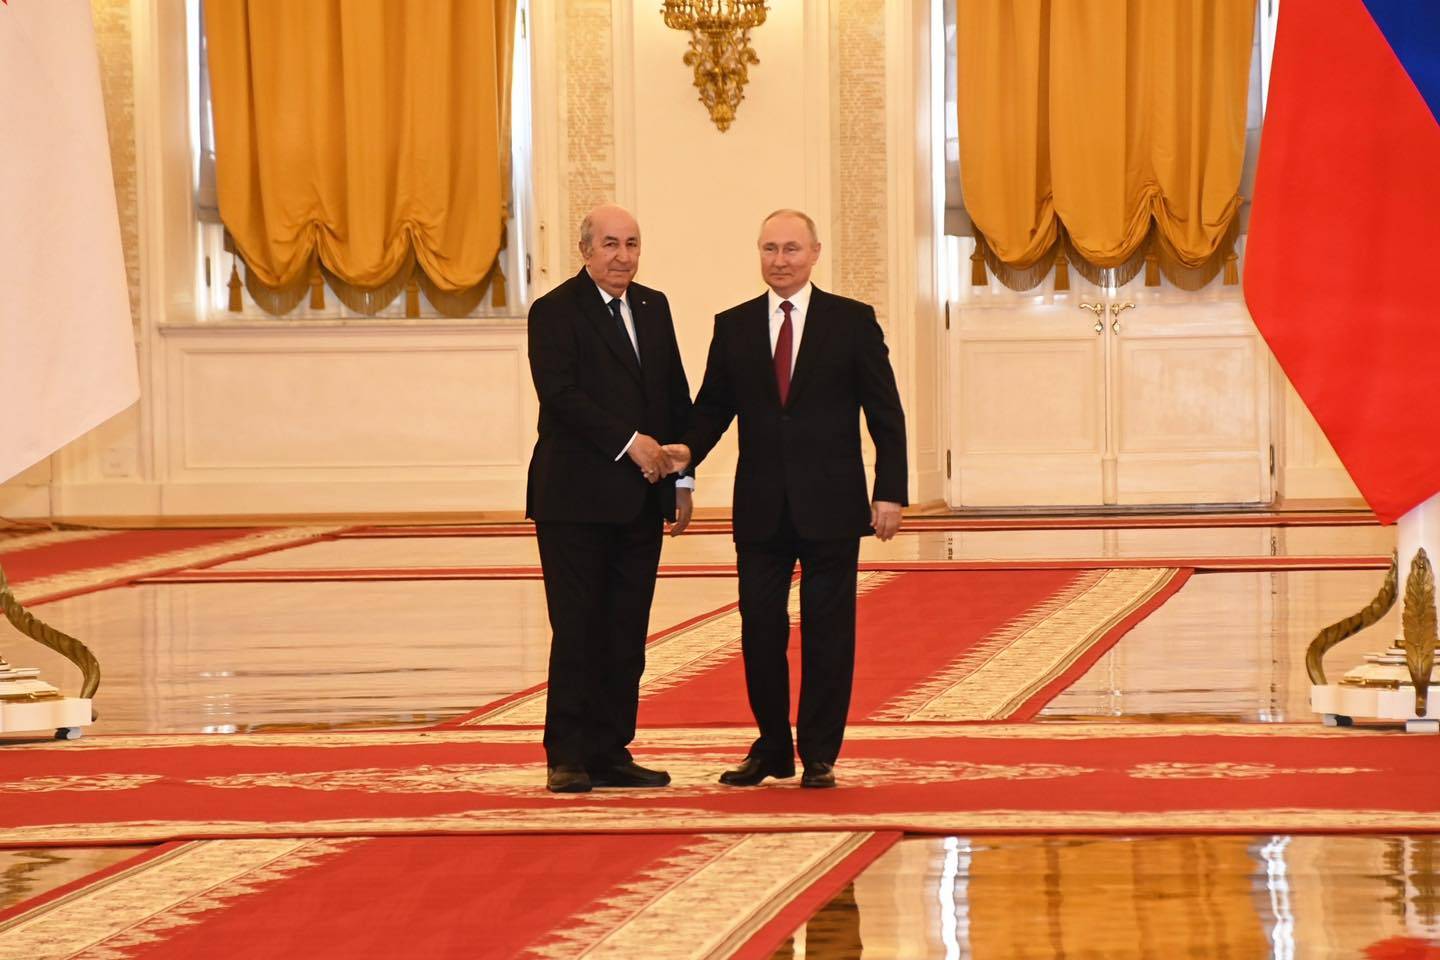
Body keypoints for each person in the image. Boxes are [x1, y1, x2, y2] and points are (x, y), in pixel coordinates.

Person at [664, 209, 906, 789]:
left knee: (829, 631)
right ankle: (772, 746)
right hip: (761, 507)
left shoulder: (852, 322)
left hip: (832, 504)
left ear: (815, 253)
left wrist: (890, 491)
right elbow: (713, 408)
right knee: (759, 628)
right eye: (769, 249)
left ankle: (819, 752)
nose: (780, 260)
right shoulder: (734, 326)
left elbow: (885, 411)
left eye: (791, 249)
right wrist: (684, 457)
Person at [525, 203, 693, 793]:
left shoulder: (654, 306)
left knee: (626, 631)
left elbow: (673, 393)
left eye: (632, 244)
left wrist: (682, 478)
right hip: (574, 499)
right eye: (611, 245)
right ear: (585, 250)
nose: (623, 256)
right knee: (578, 628)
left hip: (641, 499)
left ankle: (610, 749)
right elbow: (561, 395)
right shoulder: (554, 311)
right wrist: (630, 444)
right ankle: (567, 755)